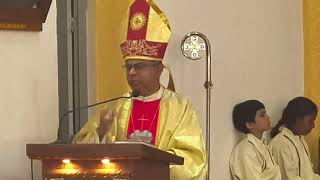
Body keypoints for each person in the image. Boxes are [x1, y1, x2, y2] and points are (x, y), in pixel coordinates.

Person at [73, 0, 207, 179]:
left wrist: (150, 164)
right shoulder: (117, 106)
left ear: (159, 70)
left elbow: (193, 160)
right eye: (128, 67)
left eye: (139, 66)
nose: (132, 73)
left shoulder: (179, 107)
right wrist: (100, 133)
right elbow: (79, 154)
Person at [269, 97, 319, 180]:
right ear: (297, 119)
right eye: (310, 121)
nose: (313, 126)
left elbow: (309, 175)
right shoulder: (281, 144)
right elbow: (289, 177)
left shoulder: (300, 139)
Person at [229, 100, 281, 180]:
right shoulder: (246, 150)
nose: (268, 117)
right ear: (249, 124)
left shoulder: (262, 145)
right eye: (262, 115)